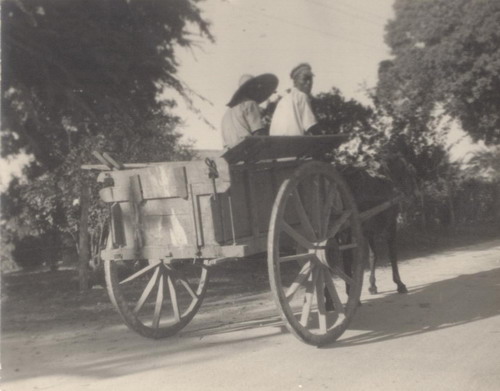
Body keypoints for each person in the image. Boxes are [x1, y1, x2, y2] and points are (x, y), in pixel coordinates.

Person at [221, 73, 279, 149]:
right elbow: (258, 133)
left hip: (231, 154)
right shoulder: (250, 104)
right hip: (248, 151)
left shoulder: (228, 112)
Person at [270, 63, 320, 136]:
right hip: (293, 143)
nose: (309, 83)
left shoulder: (284, 99)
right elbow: (312, 126)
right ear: (295, 82)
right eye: (305, 79)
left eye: (310, 79)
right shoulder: (301, 96)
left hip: (276, 143)